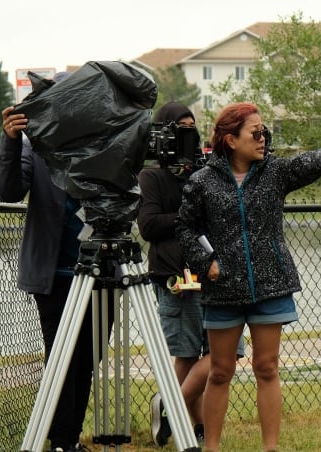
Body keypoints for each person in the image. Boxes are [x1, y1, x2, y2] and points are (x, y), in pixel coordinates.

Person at [176, 101, 321, 451]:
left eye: (265, 131)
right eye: (256, 132)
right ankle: (212, 447)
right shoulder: (201, 182)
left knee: (266, 368)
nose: (263, 138)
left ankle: (271, 447)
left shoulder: (276, 173)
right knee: (220, 372)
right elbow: (186, 229)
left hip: (271, 287)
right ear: (231, 140)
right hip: (223, 292)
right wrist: (207, 263)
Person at [0, 72, 112, 452]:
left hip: (102, 270)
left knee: (87, 360)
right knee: (62, 359)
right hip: (55, 274)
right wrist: (11, 141)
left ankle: (68, 437)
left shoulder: (106, 139)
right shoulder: (35, 144)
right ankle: (62, 440)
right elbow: (10, 191)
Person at [137, 102, 244, 446]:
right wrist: (188, 216)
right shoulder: (152, 176)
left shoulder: (207, 171)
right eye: (180, 127)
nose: (188, 134)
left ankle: (169, 405)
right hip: (175, 276)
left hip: (214, 271)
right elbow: (149, 224)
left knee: (226, 353)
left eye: (192, 126)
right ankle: (193, 427)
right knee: (187, 353)